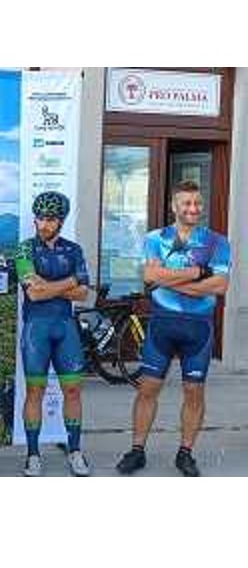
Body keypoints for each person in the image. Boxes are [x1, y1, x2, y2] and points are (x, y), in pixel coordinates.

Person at [116, 180, 231, 477]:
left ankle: (185, 453)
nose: (193, 208)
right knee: (147, 390)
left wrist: (168, 280)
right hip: (162, 327)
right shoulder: (155, 238)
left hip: (198, 330)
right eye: (186, 203)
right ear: (174, 206)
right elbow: (150, 276)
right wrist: (196, 274)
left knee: (194, 393)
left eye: (197, 203)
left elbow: (220, 285)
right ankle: (137, 450)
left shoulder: (217, 242)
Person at [15, 191, 92, 477]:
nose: (44, 224)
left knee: (72, 391)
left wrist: (50, 286)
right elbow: (34, 294)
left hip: (65, 329)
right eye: (40, 219)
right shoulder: (24, 249)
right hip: (36, 330)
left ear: (61, 221)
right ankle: (33, 454)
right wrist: (70, 280)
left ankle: (75, 450)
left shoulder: (73, 250)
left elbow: (83, 294)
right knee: (35, 391)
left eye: (51, 219)